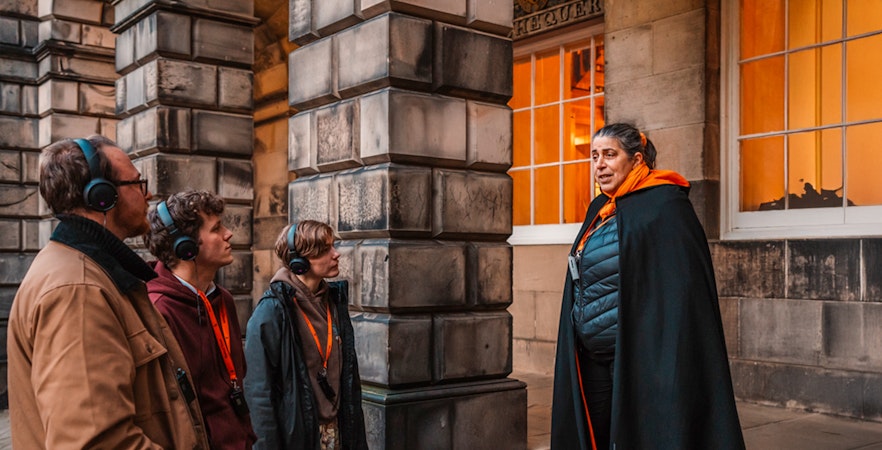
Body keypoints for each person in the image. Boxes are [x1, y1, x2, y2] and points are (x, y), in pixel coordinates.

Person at [7, 136, 210, 449]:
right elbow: (96, 441)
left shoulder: (84, 273)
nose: (149, 193)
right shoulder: (78, 291)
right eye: (137, 183)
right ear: (102, 196)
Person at [550, 123, 745, 449]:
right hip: (590, 357)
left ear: (636, 160)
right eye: (595, 156)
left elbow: (680, 289)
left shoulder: (665, 206)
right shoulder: (601, 208)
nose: (599, 164)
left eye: (610, 155)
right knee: (597, 436)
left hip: (641, 356)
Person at [145, 190, 257, 449]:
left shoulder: (223, 299)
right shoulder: (159, 309)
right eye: (217, 228)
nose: (228, 234)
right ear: (186, 247)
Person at [244, 221, 367, 450]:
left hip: (338, 432)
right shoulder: (271, 312)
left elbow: (350, 381)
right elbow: (259, 394)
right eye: (325, 250)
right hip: (299, 437)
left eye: (333, 246)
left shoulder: (333, 302)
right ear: (299, 262)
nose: (336, 254)